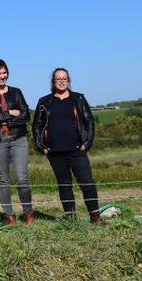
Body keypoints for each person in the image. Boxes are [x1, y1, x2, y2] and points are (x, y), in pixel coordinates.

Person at [32, 68, 101, 223]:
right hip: (55, 152)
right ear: (53, 81)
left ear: (68, 80)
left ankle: (95, 217)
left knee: (87, 184)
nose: (61, 81)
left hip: (77, 150)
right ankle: (70, 219)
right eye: (58, 78)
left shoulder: (79, 99)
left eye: (64, 78)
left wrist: (87, 143)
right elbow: (36, 124)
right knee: (64, 186)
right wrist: (40, 146)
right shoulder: (44, 102)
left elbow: (89, 121)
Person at [0, 59, 34, 225]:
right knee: (3, 179)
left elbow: (25, 115)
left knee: (22, 177)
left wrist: (4, 120)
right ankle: (9, 216)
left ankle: (28, 213)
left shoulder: (16, 92)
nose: (2, 76)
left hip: (18, 139)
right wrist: (10, 112)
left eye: (4, 73)